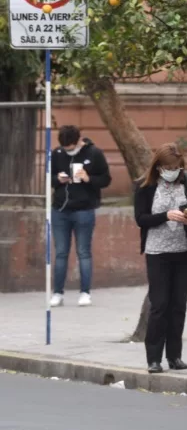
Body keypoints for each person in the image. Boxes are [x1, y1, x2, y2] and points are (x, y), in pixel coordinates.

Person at [133, 144, 187, 373]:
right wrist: (165, 216)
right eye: (167, 167)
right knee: (160, 305)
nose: (172, 171)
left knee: (178, 305)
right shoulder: (146, 185)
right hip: (158, 252)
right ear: (158, 166)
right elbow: (141, 218)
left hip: (184, 251)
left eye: (176, 167)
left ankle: (175, 356)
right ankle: (153, 358)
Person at [50, 125, 111, 307]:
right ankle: (57, 293)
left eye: (71, 147)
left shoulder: (93, 153)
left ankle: (85, 292)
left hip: (84, 210)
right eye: (65, 147)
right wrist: (57, 180)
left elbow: (106, 179)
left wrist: (88, 178)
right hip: (60, 209)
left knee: (83, 252)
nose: (68, 151)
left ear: (78, 141)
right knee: (61, 252)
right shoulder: (57, 153)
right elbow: (50, 176)